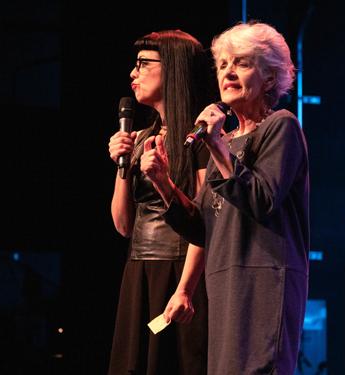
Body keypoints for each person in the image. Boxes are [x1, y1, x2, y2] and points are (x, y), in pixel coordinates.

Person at [141, 21, 310, 374]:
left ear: (269, 78)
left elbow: (263, 199)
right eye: (222, 65)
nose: (228, 71)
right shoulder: (226, 142)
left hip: (264, 279)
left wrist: (216, 145)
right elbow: (202, 228)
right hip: (224, 281)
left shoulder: (282, 126)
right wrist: (163, 183)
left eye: (242, 63)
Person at [107, 30, 217, 375]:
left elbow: (205, 223)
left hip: (182, 270)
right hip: (139, 269)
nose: (132, 74)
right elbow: (124, 225)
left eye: (143, 64)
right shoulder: (140, 137)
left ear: (172, 69)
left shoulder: (201, 138)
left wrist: (185, 289)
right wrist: (122, 165)